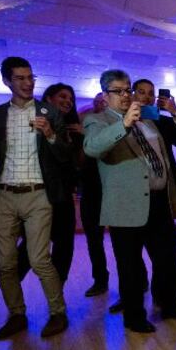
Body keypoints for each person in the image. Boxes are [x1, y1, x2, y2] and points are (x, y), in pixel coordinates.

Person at [83, 69, 176, 333]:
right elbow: (92, 147)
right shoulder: (97, 120)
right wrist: (123, 125)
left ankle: (170, 305)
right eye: (118, 91)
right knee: (130, 265)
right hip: (126, 206)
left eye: (127, 89)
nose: (125, 95)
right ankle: (134, 316)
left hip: (159, 202)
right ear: (105, 94)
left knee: (167, 258)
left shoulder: (147, 122)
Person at [0, 56, 71, 339]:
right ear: (7, 81)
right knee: (5, 261)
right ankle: (17, 314)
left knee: (39, 259)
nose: (27, 83)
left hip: (38, 194)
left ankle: (58, 313)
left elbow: (66, 157)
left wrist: (51, 135)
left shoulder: (50, 112)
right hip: (5, 196)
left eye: (30, 77)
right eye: (20, 78)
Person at [16, 83, 82, 284]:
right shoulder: (35, 122)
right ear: (48, 99)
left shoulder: (72, 130)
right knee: (31, 248)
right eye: (62, 97)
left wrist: (81, 138)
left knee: (64, 249)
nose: (68, 102)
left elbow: (75, 165)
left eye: (71, 99)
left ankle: (56, 296)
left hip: (63, 197)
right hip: (39, 195)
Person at [77, 92, 111, 297]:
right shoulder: (86, 127)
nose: (100, 105)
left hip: (113, 189)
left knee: (124, 240)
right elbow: (81, 161)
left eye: (103, 102)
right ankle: (100, 279)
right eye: (97, 102)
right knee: (93, 239)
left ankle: (138, 280)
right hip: (90, 191)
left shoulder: (116, 127)